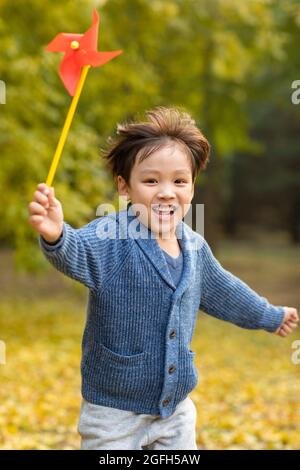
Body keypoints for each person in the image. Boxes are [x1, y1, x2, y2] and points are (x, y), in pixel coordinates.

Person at [28, 106, 299, 450]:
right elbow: (78, 252)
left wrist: (269, 315)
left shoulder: (195, 248)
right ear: (125, 186)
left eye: (179, 181)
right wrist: (57, 235)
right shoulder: (112, 236)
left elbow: (226, 293)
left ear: (192, 188)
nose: (167, 191)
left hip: (175, 409)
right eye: (151, 180)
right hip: (114, 412)